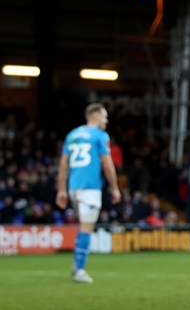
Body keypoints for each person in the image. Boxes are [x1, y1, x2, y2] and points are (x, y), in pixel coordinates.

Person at [55, 103, 120, 283]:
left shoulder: (72, 135)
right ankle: (79, 270)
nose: (106, 120)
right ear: (95, 116)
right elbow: (107, 164)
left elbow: (63, 165)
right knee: (87, 227)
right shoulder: (100, 135)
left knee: (84, 225)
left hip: (73, 188)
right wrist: (114, 187)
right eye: (104, 116)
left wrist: (61, 190)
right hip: (90, 188)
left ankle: (77, 265)